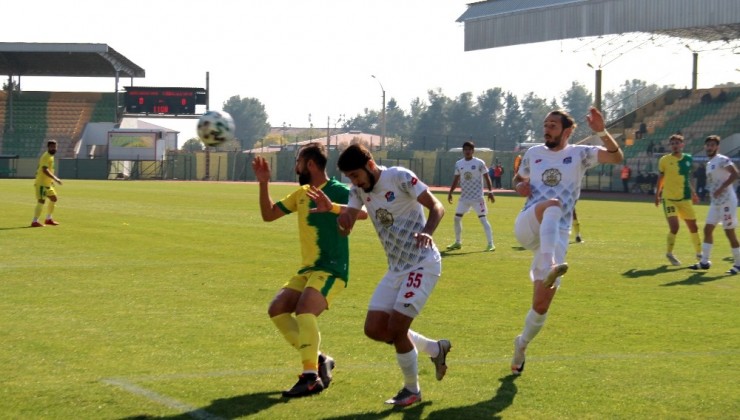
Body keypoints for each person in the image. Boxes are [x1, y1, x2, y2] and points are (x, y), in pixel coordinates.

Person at [331, 144, 451, 407]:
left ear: (370, 166)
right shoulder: (358, 190)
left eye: (356, 175)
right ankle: (434, 348)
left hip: (422, 263)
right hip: (396, 269)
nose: (354, 181)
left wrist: (428, 232)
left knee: (397, 329)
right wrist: (342, 222)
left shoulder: (399, 177)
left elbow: (437, 206)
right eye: (350, 177)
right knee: (374, 329)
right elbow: (349, 216)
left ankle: (412, 391)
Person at [510, 107, 623, 375]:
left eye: (552, 125)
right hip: (529, 222)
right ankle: (550, 263)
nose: (546, 129)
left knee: (540, 304)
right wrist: (518, 186)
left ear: (567, 130)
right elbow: (518, 178)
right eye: (545, 124)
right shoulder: (533, 153)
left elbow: (617, 157)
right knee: (553, 204)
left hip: (557, 234)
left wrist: (601, 132)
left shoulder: (580, 154)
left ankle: (521, 344)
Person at [251, 143, 366, 398]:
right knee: (277, 309)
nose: (296, 167)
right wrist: (263, 184)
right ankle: (318, 360)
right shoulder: (301, 193)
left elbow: (364, 213)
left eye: (298, 162)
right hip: (308, 270)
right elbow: (269, 215)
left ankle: (310, 378)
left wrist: (333, 207)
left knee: (304, 310)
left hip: (333, 269)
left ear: (310, 164)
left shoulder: (339, 189)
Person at [689, 135, 740, 274]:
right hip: (716, 202)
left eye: (712, 145)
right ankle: (705, 262)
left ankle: (738, 264)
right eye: (708, 145)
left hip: (727, 202)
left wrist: (721, 188)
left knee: (729, 232)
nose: (709, 147)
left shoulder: (722, 159)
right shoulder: (709, 163)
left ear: (717, 147)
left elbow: (735, 174)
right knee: (707, 230)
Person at [655, 134, 702, 266]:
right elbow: (661, 178)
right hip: (669, 198)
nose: (675, 145)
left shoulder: (688, 159)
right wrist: (657, 195)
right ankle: (669, 253)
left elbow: (687, 178)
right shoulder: (664, 160)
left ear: (682, 145)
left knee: (693, 226)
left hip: (685, 198)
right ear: (670, 146)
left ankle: (699, 254)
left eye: (677, 143)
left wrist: (693, 193)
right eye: (672, 143)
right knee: (674, 227)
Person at [445, 141, 496, 252]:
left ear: (473, 151)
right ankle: (458, 243)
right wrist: (450, 192)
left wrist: (490, 191)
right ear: (463, 151)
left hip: (477, 197)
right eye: (465, 149)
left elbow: (487, 177)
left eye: (469, 149)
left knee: (483, 219)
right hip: (464, 198)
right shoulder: (459, 164)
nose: (467, 151)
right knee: (456, 218)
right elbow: (456, 179)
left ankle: (491, 244)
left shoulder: (479, 163)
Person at [31, 139, 63, 227]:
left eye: (55, 147)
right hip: (41, 183)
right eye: (52, 147)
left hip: (48, 184)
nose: (54, 148)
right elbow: (44, 170)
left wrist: (51, 181)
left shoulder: (51, 156)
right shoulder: (46, 156)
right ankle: (34, 221)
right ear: (48, 147)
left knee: (54, 198)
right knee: (41, 201)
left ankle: (48, 219)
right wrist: (55, 178)